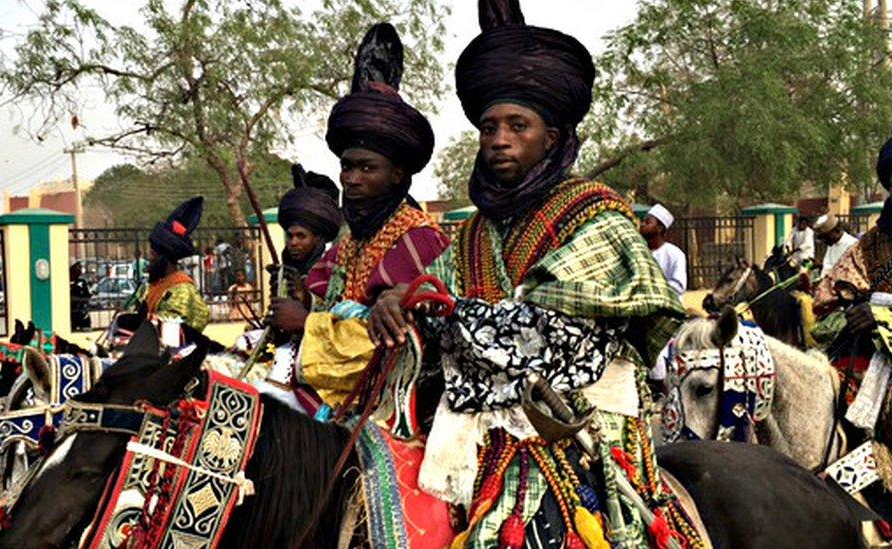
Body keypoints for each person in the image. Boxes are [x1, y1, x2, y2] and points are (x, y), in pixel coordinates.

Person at [369, 2, 696, 546]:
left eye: (517, 126)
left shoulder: (596, 213)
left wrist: (448, 316)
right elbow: (430, 303)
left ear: (551, 137)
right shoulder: (473, 232)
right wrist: (398, 303)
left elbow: (559, 343)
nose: (498, 139)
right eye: (488, 127)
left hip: (573, 424)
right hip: (476, 419)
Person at [299, 22, 449, 425]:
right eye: (347, 167)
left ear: (399, 174)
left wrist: (306, 326)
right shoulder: (349, 241)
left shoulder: (421, 240)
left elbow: (393, 341)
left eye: (368, 168)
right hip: (335, 397)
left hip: (394, 409)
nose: (351, 179)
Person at [812, 135, 892, 522]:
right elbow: (825, 302)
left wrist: (882, 316)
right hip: (870, 355)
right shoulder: (868, 245)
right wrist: (854, 310)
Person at [265, 163, 343, 335]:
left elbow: (338, 319)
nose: (293, 242)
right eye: (290, 236)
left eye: (301, 236)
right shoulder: (285, 271)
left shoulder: (335, 269)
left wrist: (306, 298)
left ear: (318, 239)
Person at [131, 196, 210, 332]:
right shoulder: (151, 286)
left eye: (153, 254)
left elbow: (171, 330)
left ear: (165, 259)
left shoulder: (182, 290)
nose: (149, 259)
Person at [639, 203, 687, 297]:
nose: (642, 225)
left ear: (660, 228)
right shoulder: (639, 251)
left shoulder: (675, 254)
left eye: (648, 222)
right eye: (643, 221)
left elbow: (678, 286)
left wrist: (651, 290)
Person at [69, 261, 92, 331]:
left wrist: (83, 299)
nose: (80, 270)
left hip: (82, 312)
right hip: (71, 313)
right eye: (78, 268)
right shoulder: (66, 282)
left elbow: (87, 296)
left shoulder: (82, 282)